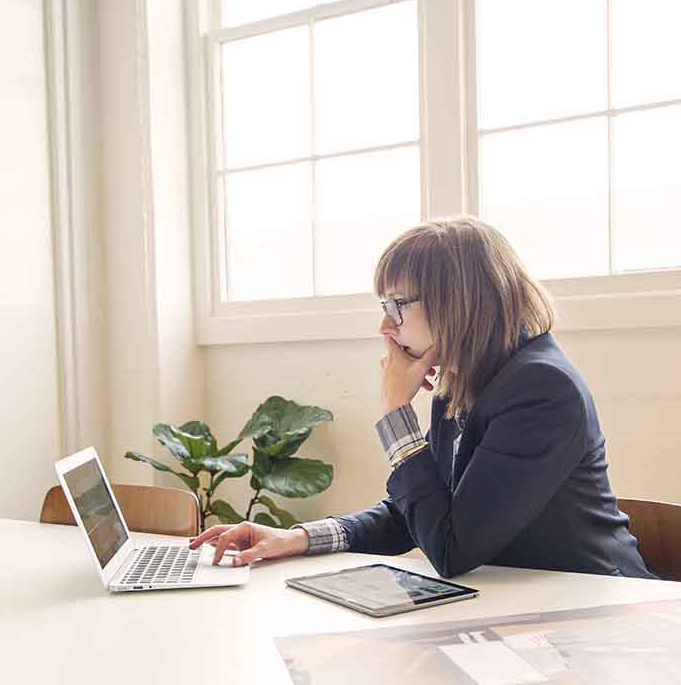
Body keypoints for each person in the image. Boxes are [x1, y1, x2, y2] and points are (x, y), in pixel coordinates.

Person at [190, 216, 655, 580]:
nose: (385, 326)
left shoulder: (543, 390)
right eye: (383, 307)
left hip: (594, 608)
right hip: (521, 607)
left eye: (398, 305)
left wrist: (396, 415)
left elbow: (451, 547)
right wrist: (298, 538)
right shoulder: (465, 378)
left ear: (458, 301)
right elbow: (418, 512)